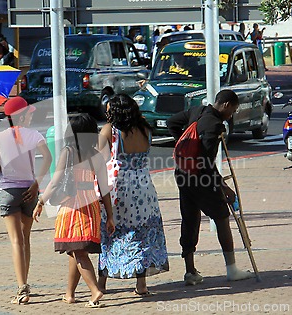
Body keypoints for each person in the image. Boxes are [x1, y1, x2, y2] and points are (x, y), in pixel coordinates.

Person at [166, 90, 255, 286]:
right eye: (233, 109)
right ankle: (232, 269)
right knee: (222, 216)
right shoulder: (214, 126)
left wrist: (182, 143)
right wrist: (224, 187)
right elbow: (206, 162)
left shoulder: (197, 111)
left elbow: (171, 122)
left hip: (182, 174)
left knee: (189, 218)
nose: (232, 114)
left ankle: (190, 272)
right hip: (201, 179)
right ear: (225, 105)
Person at [33, 114, 115, 308]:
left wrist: (41, 202)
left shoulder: (68, 152)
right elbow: (104, 189)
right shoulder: (97, 156)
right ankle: (69, 294)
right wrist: (110, 216)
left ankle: (95, 291)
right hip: (92, 206)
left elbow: (55, 183)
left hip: (73, 207)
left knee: (78, 252)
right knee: (75, 250)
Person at [97, 94, 169, 296]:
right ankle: (141, 284)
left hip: (120, 188)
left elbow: (99, 162)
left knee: (111, 231)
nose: (107, 113)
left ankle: (101, 283)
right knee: (141, 233)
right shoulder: (146, 129)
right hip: (144, 187)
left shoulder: (110, 131)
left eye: (110, 110)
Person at [0, 96, 52, 304]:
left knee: (15, 240)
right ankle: (25, 283)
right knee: (25, 239)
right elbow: (48, 158)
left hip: (8, 190)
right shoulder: (34, 135)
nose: (31, 116)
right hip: (29, 191)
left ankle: (21, 287)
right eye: (29, 113)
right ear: (23, 115)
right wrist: (37, 183)